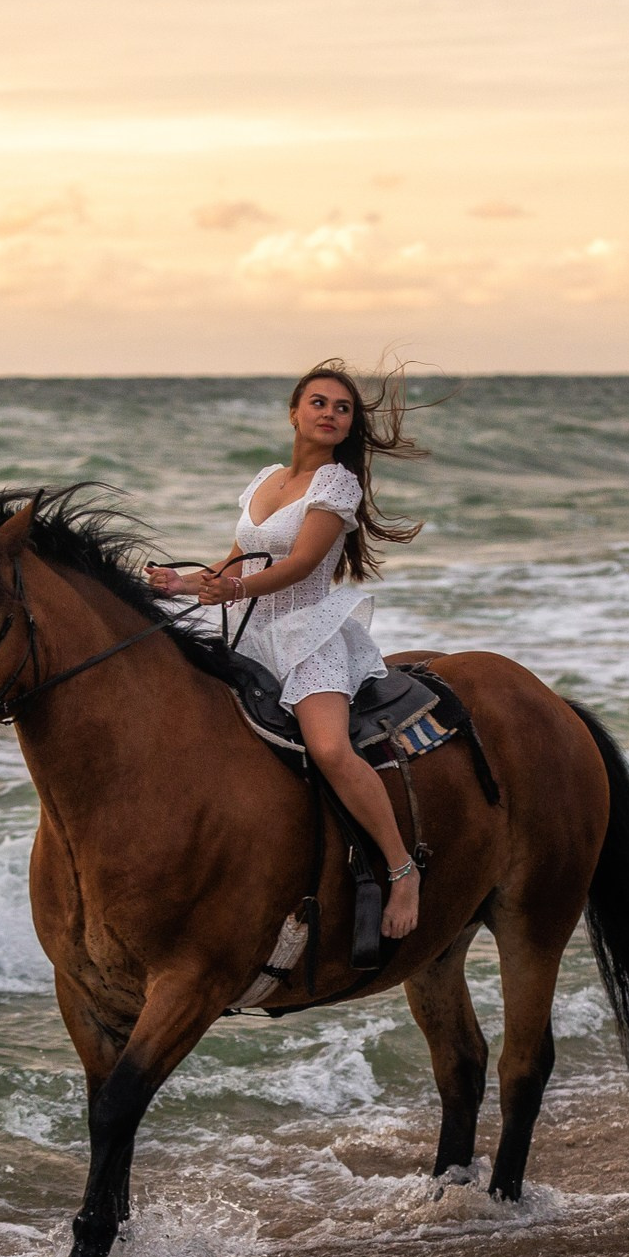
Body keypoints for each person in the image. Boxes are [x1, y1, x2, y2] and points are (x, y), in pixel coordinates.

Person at [149, 361, 426, 937]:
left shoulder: (335, 484)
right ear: (295, 412)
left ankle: (402, 869)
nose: (330, 414)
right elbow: (236, 557)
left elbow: (300, 564)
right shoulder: (266, 479)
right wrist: (180, 583)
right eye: (319, 403)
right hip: (247, 628)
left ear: (349, 427)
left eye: (342, 409)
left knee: (328, 749)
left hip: (307, 633)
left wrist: (236, 588)